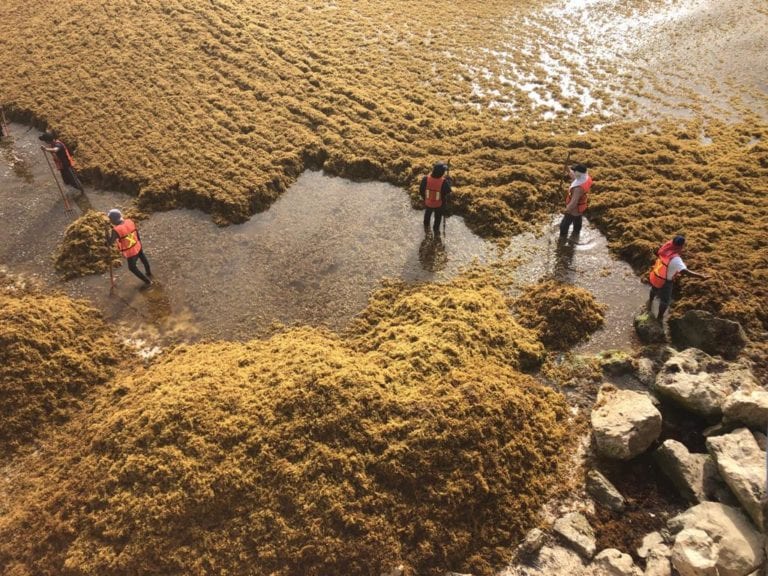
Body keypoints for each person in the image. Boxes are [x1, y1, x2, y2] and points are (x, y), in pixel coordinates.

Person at [647, 235, 707, 321]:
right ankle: (659, 317)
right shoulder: (676, 259)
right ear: (681, 246)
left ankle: (650, 302)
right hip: (666, 282)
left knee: (654, 289)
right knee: (665, 301)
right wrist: (701, 276)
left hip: (657, 274)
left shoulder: (665, 248)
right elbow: (685, 271)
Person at [105, 209, 152, 286]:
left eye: (110, 219)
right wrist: (139, 243)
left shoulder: (116, 230)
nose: (110, 221)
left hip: (130, 251)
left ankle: (148, 282)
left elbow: (109, 243)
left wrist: (107, 235)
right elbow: (136, 232)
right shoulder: (129, 221)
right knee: (143, 258)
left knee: (132, 268)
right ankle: (149, 273)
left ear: (113, 220)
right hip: (137, 244)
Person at [559, 163, 592, 237]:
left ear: (578, 174)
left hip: (574, 210)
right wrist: (568, 170)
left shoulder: (578, 189)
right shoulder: (586, 178)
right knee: (577, 220)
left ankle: (562, 238)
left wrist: (567, 210)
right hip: (581, 205)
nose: (573, 172)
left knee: (564, 225)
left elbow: (573, 203)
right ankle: (576, 233)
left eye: (575, 171)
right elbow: (575, 177)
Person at [420, 162, 452, 235]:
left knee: (427, 214)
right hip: (439, 204)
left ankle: (426, 225)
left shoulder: (425, 179)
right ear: (441, 173)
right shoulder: (443, 182)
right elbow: (448, 191)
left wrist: (425, 199)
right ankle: (436, 229)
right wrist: (449, 181)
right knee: (438, 217)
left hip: (428, 202)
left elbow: (421, 190)